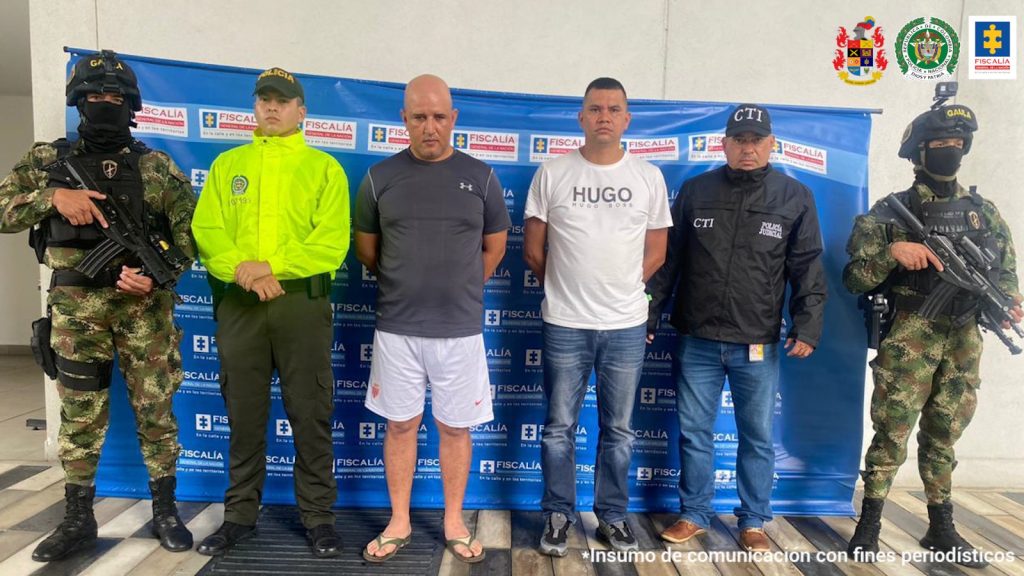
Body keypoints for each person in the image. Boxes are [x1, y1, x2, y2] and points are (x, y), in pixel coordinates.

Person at [0, 50, 195, 561]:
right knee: (81, 416)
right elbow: (3, 208)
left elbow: (190, 237)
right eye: (93, 96)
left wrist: (156, 276)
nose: (103, 103)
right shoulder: (48, 162)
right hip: (76, 311)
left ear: (129, 104)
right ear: (78, 103)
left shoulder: (156, 166)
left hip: (143, 312)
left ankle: (166, 511)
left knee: (156, 412)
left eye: (113, 97)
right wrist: (52, 199)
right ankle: (77, 518)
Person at [843, 102, 1021, 568]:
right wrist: (893, 252)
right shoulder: (888, 214)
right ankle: (870, 525)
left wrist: (1007, 302)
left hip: (963, 338)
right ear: (918, 151)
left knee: (945, 433)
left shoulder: (985, 214)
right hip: (912, 334)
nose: (950, 152)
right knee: (892, 431)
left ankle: (941, 528)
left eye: (957, 145)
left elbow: (1004, 272)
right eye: (940, 145)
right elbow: (855, 278)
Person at [647, 104, 826, 552]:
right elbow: (669, 262)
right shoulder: (695, 191)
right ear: (724, 144)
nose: (748, 149)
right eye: (739, 140)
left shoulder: (794, 196)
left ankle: (753, 521)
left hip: (757, 341)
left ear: (771, 145)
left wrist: (807, 325)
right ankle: (694, 513)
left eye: (756, 141)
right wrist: (650, 315)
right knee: (694, 432)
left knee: (758, 436)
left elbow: (807, 267)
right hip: (697, 338)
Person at [191, 67, 350, 558]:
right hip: (240, 307)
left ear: (302, 110)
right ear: (255, 107)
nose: (273, 107)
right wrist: (243, 270)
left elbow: (330, 244)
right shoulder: (227, 166)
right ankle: (239, 516)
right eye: (265, 99)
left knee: (310, 414)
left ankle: (319, 518)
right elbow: (207, 231)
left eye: (284, 100)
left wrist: (269, 266)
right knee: (243, 415)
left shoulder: (324, 168)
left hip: (300, 305)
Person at [354, 74, 510, 564]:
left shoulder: (481, 176)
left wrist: (457, 290)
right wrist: (410, 285)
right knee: (400, 426)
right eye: (419, 117)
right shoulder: (380, 178)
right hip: (397, 329)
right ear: (404, 119)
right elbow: (368, 250)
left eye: (439, 117)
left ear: (453, 120)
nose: (429, 127)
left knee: (455, 429)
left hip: (459, 331)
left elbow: (495, 247)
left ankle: (453, 521)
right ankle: (399, 520)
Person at [524, 77, 672, 556]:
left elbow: (657, 250)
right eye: (595, 108)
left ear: (626, 119)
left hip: (627, 325)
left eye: (613, 109)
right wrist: (570, 287)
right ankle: (558, 515)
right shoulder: (552, 173)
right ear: (581, 117)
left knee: (620, 430)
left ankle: (612, 517)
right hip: (564, 322)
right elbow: (532, 249)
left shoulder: (648, 177)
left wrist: (624, 290)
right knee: (558, 427)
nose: (604, 116)